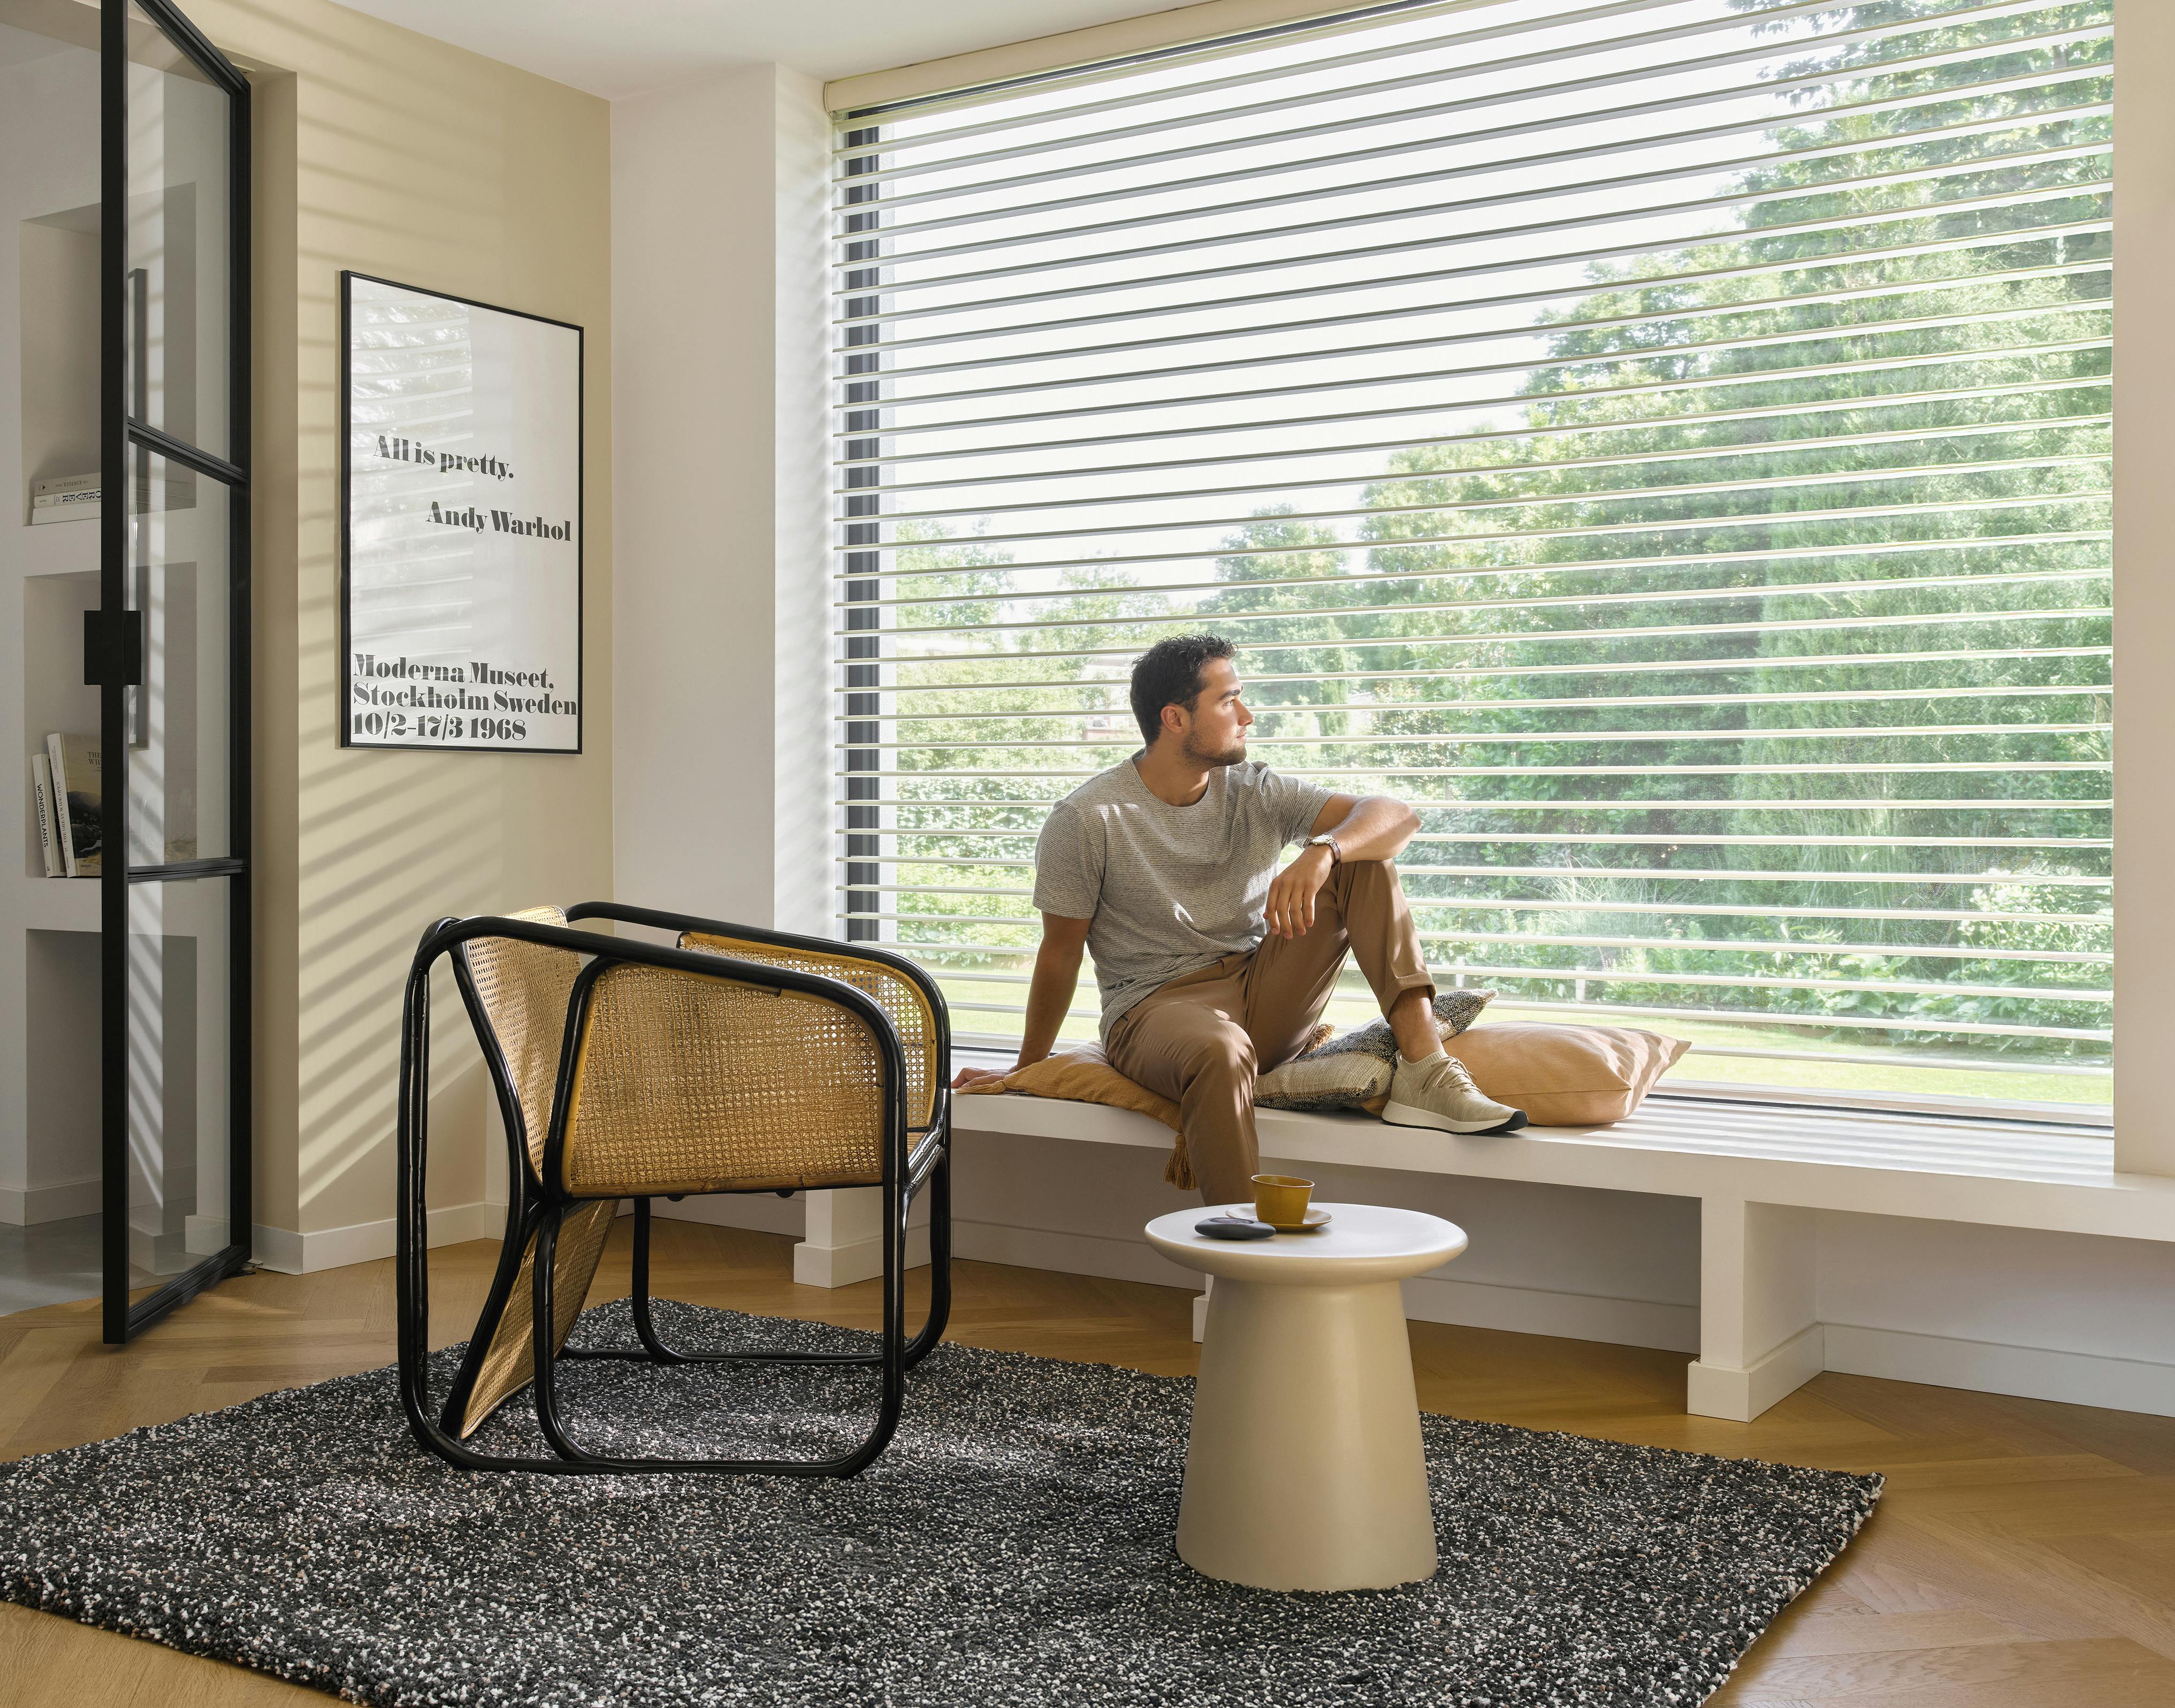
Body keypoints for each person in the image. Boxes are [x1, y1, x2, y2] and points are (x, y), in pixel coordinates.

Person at [951, 633, 1525, 1206]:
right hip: (1158, 1012)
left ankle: (1427, 1072)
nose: (1247, 715)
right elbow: (1060, 952)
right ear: (1175, 718)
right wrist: (1026, 1069)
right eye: (1229, 701)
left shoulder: (1255, 790)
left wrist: (1322, 852)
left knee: (1362, 858)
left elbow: (1396, 816)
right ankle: (1242, 1251)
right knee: (1219, 1051)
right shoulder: (1086, 818)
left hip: (1261, 988)